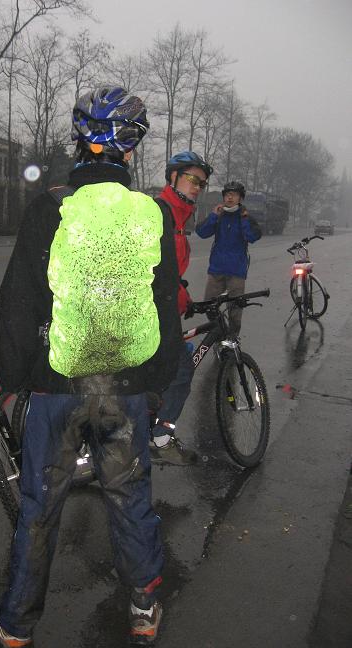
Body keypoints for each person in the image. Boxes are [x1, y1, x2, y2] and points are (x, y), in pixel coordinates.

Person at [0, 86, 182, 647]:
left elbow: (19, 302)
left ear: (80, 142)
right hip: (126, 387)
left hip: (55, 389)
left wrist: (11, 384)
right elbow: (164, 300)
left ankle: (16, 624)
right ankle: (144, 610)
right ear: (131, 148)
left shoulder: (49, 206)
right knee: (130, 499)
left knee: (40, 509)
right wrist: (158, 383)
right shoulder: (153, 212)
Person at [150, 151, 213, 466]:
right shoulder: (159, 213)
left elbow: (169, 272)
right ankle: (160, 437)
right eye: (191, 179)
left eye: (201, 183)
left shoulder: (178, 219)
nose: (197, 187)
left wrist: (182, 296)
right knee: (182, 370)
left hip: (163, 310)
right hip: (151, 315)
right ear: (172, 177)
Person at [195, 180, 262, 335]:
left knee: (235, 311)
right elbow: (202, 233)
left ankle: (232, 340)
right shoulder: (219, 216)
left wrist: (244, 219)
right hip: (216, 270)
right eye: (227, 194)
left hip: (236, 271)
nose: (230, 198)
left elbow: (251, 237)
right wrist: (213, 215)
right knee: (209, 306)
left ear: (240, 198)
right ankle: (220, 332)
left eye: (234, 195)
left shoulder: (246, 218)